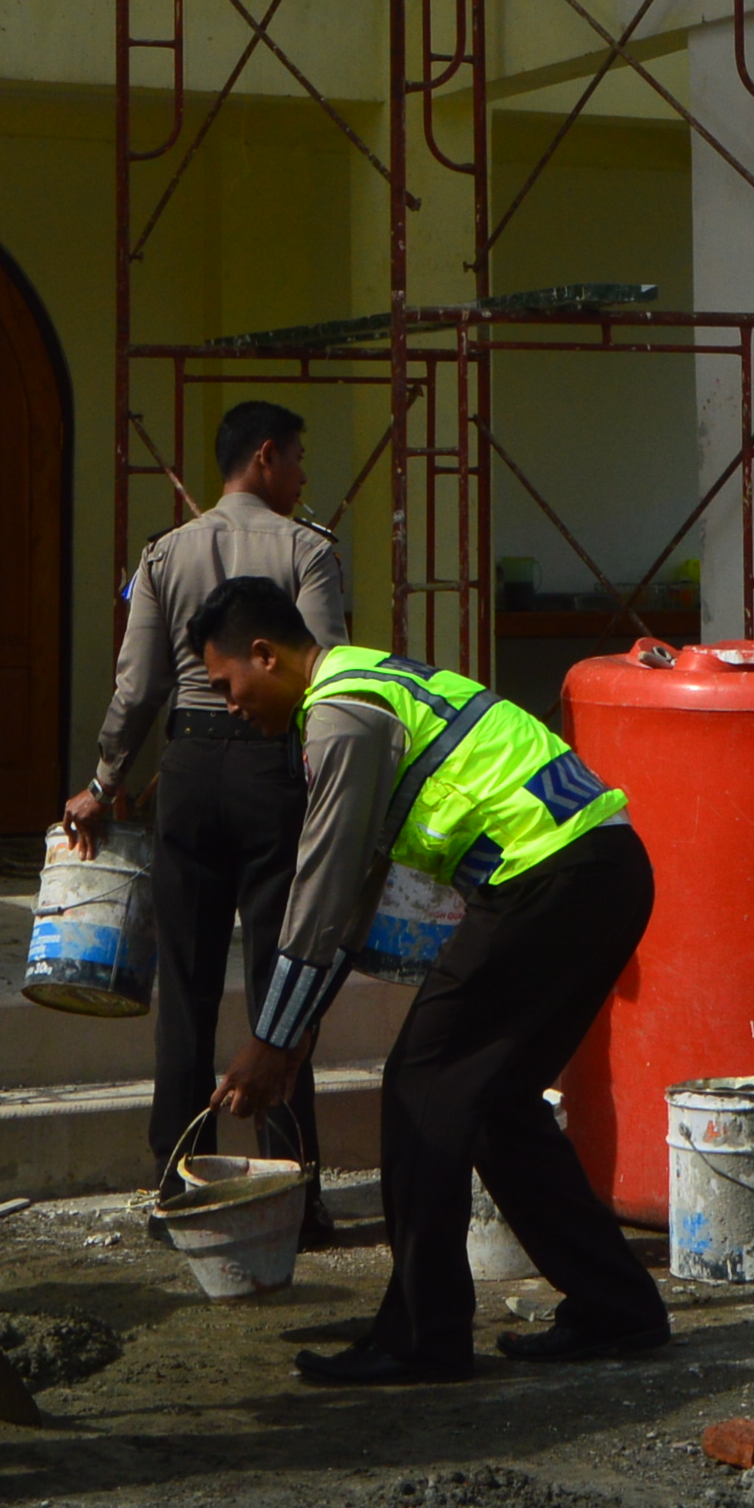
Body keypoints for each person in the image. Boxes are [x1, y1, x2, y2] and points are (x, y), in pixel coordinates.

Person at [198, 578, 665, 1386]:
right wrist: (295, 1030)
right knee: (487, 1102)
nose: (230, 706)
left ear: (265, 656)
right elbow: (361, 888)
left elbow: (323, 888)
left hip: (550, 876)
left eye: (225, 685)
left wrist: (273, 1040)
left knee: (421, 1083)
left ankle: (423, 1333)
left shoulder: (338, 717)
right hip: (600, 867)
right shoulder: (371, 683)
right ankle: (615, 1307)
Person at [62, 401, 351, 1196]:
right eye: (296, 459)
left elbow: (140, 684)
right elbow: (320, 673)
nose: (302, 475)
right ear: (264, 457)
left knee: (184, 984)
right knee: (281, 979)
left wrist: (103, 783)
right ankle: (292, 1187)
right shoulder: (308, 551)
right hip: (272, 771)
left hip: (187, 773)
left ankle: (176, 1178)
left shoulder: (164, 554)